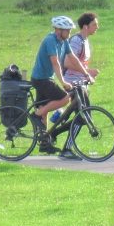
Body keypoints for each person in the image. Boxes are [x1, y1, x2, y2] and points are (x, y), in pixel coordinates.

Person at [30, 15, 77, 157]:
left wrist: (86, 73)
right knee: (65, 99)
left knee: (45, 110)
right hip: (40, 79)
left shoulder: (64, 41)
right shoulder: (50, 40)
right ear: (59, 30)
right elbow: (55, 62)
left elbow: (73, 57)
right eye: (67, 31)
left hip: (46, 79)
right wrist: (63, 82)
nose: (69, 33)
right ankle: (35, 115)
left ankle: (44, 144)